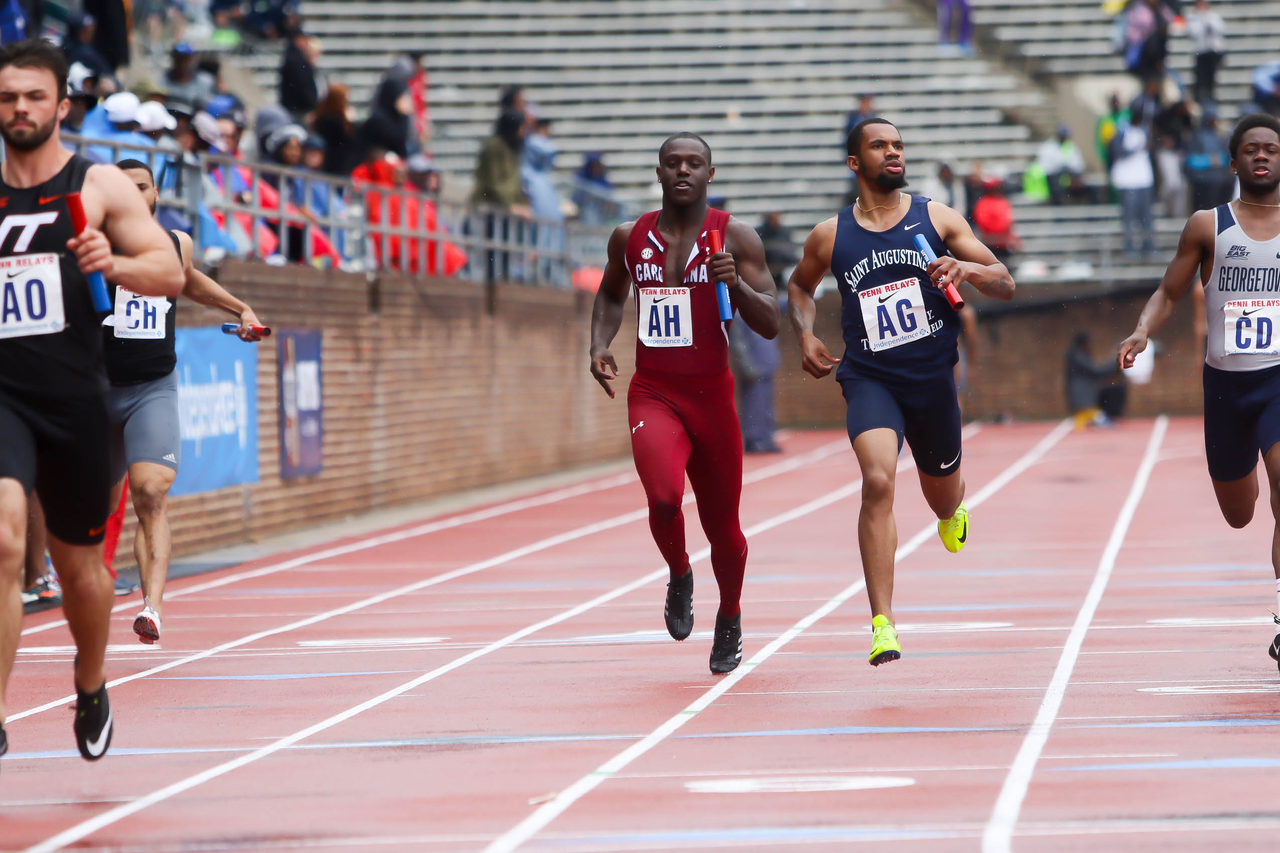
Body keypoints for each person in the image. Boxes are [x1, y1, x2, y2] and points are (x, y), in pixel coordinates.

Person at [0, 38, 184, 764]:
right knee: (6, 537)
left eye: (33, 96)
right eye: (8, 96)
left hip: (74, 394)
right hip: (3, 392)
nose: (19, 108)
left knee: (84, 573)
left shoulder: (98, 185)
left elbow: (167, 272)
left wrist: (115, 261)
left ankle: (91, 680)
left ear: (61, 106)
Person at [786, 118, 1016, 666]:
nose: (893, 152)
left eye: (898, 145)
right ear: (854, 163)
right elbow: (799, 286)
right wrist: (805, 331)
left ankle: (950, 509)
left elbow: (1005, 281)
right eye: (879, 146)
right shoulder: (831, 235)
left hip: (933, 380)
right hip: (871, 378)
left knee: (942, 495)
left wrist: (967, 269)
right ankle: (882, 623)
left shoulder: (936, 217)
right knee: (878, 478)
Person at [588, 133, 781, 674]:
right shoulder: (630, 236)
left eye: (694, 164)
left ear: (710, 175)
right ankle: (679, 573)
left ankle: (731, 617)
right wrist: (599, 343)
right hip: (654, 390)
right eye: (672, 163)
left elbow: (769, 324)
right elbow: (609, 293)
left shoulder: (735, 237)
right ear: (658, 173)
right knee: (666, 497)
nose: (683, 171)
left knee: (725, 530)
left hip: (712, 396)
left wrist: (738, 286)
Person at [1117, 114, 1280, 672]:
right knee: (1240, 513)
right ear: (1233, 162)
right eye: (1251, 149)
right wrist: (1142, 329)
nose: (1262, 157)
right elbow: (1169, 290)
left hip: (1278, 378)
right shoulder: (1208, 226)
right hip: (1227, 388)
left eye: (1272, 149)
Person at [106, 159, 264, 643]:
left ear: (155, 194)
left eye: (141, 188)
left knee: (151, 493)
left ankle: (152, 607)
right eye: (124, 189)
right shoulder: (89, 245)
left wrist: (240, 308)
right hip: (93, 388)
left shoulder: (176, 244)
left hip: (152, 386)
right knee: (88, 509)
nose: (134, 196)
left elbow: (189, 280)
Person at [1112, 106, 1157, 256]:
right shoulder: (1122, 131)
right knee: (1129, 217)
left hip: (1143, 179)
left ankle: (1148, 246)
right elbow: (1117, 151)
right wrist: (1136, 148)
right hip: (1127, 181)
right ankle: (1130, 246)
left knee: (1146, 216)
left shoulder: (1144, 130)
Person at [1066, 331, 1122, 427]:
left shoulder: (1077, 355)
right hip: (1083, 398)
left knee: (1085, 421)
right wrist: (1115, 361)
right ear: (1083, 343)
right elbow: (1096, 371)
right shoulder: (1078, 357)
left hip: (1084, 398)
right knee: (1084, 423)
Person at [1186, 108, 1233, 211]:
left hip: (1220, 180)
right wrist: (1208, 161)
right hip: (1201, 181)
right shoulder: (1197, 136)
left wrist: (1220, 160)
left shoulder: (1221, 136)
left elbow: (1227, 157)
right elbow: (1190, 160)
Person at [1037, 124, 1089, 205]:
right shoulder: (1048, 147)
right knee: (1056, 188)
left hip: (1070, 179)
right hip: (1054, 179)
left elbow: (1079, 165)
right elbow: (1045, 167)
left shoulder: (1071, 146)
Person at [1186, 0, 1226, 105]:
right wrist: (1202, 18)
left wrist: (1206, 19)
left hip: (1213, 52)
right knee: (1201, 77)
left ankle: (1211, 95)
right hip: (1201, 52)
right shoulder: (1192, 18)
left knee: (1211, 76)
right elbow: (1194, 33)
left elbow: (1220, 30)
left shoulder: (1214, 16)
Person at [278, 27, 320, 122]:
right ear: (297, 40)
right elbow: (303, 85)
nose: (306, 43)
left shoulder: (294, 57)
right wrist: (312, 104)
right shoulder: (296, 60)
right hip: (298, 109)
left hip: (295, 107)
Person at [161, 43, 214, 109]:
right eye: (179, 59)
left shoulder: (205, 81)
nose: (182, 63)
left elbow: (209, 105)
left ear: (192, 59)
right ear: (173, 59)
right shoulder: (162, 80)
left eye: (185, 59)